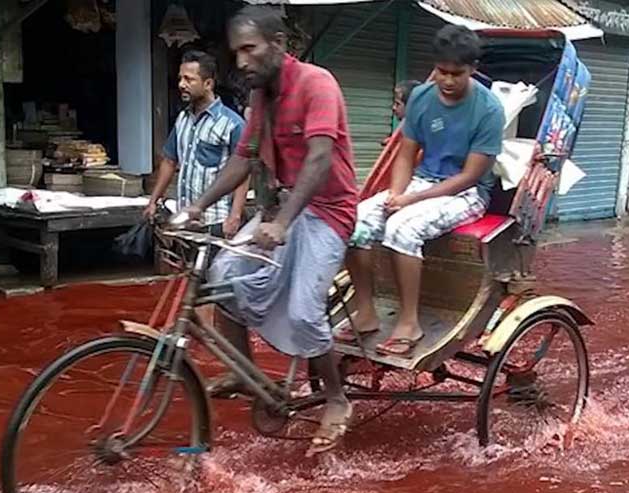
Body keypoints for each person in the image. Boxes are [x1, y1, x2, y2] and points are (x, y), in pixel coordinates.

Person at [177, 6, 360, 456]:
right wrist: (196, 207)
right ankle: (245, 371)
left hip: (327, 211)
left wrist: (280, 222)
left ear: (278, 45)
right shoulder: (261, 98)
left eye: (249, 49)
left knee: (303, 311)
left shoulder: (318, 84)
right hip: (282, 209)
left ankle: (337, 400)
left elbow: (319, 160)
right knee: (221, 276)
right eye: (236, 51)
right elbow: (243, 158)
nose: (240, 62)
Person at [343, 25, 504, 357]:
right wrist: (394, 195)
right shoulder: (421, 98)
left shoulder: (489, 110)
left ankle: (408, 322)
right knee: (353, 222)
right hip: (420, 182)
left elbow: (471, 176)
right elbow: (405, 154)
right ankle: (366, 310)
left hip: (466, 192)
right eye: (442, 72)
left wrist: (409, 201)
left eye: (456, 74)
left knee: (402, 228)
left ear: (473, 69)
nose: (446, 81)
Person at [145, 50, 249, 237]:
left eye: (189, 79)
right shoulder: (183, 119)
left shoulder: (232, 124)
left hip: (215, 220)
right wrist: (153, 200)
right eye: (180, 79)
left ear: (208, 84)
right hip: (185, 218)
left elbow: (243, 172)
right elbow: (169, 161)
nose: (181, 85)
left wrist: (235, 215)